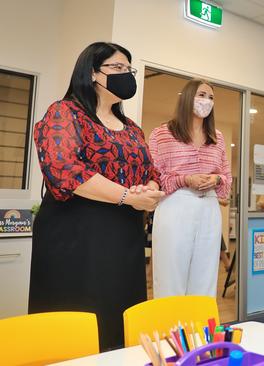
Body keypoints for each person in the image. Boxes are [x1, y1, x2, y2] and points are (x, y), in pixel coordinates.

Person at [30, 42, 164, 351]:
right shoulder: (65, 112)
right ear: (92, 73)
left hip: (124, 235)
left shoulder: (132, 128)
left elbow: (150, 172)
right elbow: (65, 170)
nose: (125, 74)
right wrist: (128, 196)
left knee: (119, 316)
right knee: (77, 319)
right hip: (75, 234)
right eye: (116, 68)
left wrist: (151, 191)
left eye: (128, 69)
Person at [149, 79, 232, 298]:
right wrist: (186, 179)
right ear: (187, 98)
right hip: (175, 205)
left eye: (211, 97)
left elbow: (226, 177)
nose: (207, 101)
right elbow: (154, 176)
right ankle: (169, 332)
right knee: (170, 276)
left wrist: (216, 179)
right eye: (202, 95)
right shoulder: (162, 134)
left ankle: (200, 331)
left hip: (209, 206)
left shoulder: (218, 137)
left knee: (205, 278)